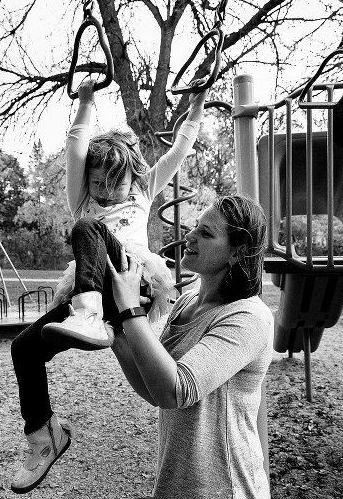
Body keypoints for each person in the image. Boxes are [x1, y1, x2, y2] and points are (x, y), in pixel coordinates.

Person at [9, 79, 208, 494]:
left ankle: (90, 315)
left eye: (112, 185)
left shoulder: (142, 191)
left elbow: (180, 150)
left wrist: (197, 106)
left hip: (133, 281)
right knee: (23, 347)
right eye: (96, 183)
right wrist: (85, 102)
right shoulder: (83, 198)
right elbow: (75, 148)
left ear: (132, 177)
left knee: (88, 228)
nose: (102, 193)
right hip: (92, 291)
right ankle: (45, 435)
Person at [107, 195, 274, 499]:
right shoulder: (186, 303)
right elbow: (156, 389)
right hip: (176, 485)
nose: (190, 236)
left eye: (206, 233)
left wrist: (131, 310)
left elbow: (176, 390)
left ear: (237, 253)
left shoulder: (249, 317)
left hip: (225, 489)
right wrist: (118, 336)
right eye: (195, 227)